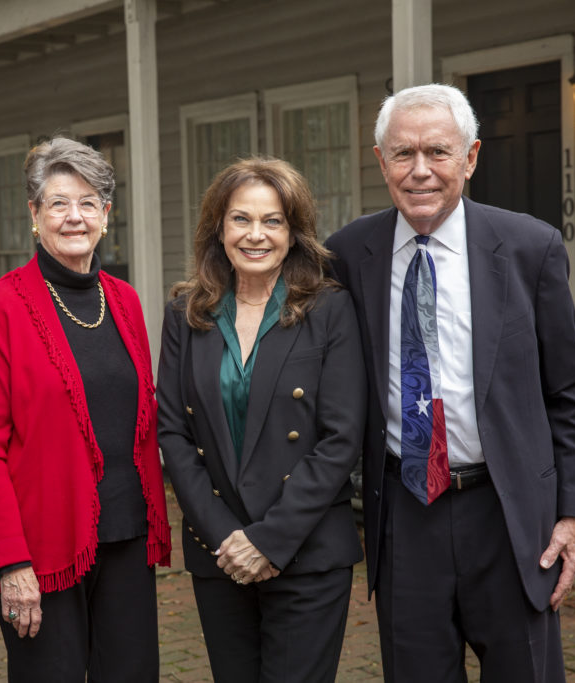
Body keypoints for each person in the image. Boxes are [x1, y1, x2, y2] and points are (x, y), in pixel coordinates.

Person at [325, 83, 575, 682]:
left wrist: (574, 515)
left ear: (471, 158)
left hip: (508, 515)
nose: (420, 170)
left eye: (438, 152)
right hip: (405, 512)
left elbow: (571, 392)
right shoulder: (347, 254)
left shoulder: (531, 247)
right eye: (403, 154)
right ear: (381, 163)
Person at [0, 136, 171, 683]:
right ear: (34, 215)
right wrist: (11, 562)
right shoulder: (4, 305)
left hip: (127, 536)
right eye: (58, 203)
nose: (74, 217)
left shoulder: (124, 299)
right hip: (44, 549)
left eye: (88, 203)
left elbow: (142, 422)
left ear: (107, 214)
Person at [157, 157, 367, 682]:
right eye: (240, 219)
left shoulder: (328, 308)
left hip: (307, 549)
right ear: (218, 228)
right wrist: (228, 539)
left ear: (295, 232)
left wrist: (268, 542)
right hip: (221, 552)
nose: (256, 235)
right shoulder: (187, 311)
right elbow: (174, 433)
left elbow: (342, 438)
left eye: (272, 221)